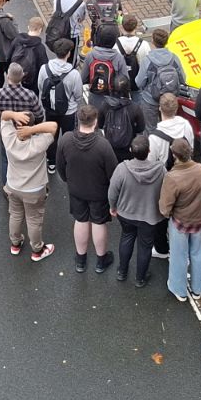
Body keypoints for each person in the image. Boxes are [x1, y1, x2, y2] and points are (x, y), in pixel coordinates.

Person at [57, 104, 119, 273]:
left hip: (76, 189)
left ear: (78, 120)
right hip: (99, 192)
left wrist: (68, 180)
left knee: (80, 220)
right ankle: (101, 260)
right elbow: (113, 173)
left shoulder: (66, 140)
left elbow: (60, 166)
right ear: (95, 121)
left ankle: (81, 260)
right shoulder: (103, 145)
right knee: (98, 222)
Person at [160, 136, 201, 302]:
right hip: (200, 221)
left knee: (178, 256)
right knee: (198, 254)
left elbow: (165, 208)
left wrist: (168, 214)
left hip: (180, 222)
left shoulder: (172, 177)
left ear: (174, 155)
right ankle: (198, 289)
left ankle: (179, 289)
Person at [0, 110, 59, 262]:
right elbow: (53, 126)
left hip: (13, 185)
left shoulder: (9, 138)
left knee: (15, 214)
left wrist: (14, 115)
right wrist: (31, 130)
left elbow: (4, 116)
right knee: (33, 220)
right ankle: (37, 250)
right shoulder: (39, 142)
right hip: (34, 189)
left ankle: (15, 243)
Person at [108, 133, 165, 285]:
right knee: (145, 246)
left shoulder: (122, 169)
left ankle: (122, 271)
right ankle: (140, 278)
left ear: (130, 150)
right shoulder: (160, 169)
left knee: (126, 238)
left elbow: (112, 192)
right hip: (150, 216)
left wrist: (113, 207)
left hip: (126, 214)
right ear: (149, 151)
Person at [135, 27, 186, 129]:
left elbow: (139, 82)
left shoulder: (147, 60)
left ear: (152, 41)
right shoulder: (174, 58)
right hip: (169, 99)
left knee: (151, 129)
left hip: (150, 100)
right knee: (170, 128)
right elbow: (183, 79)